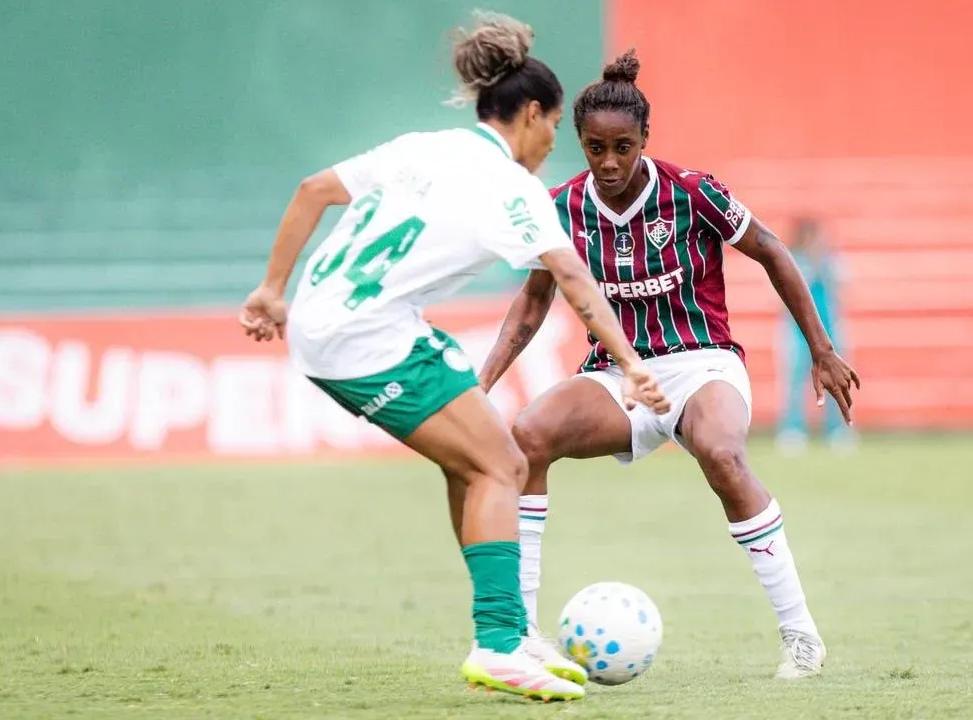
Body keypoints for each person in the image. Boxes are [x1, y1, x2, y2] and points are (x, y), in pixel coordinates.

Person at [236, 14, 670, 702]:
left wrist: (271, 289)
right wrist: (633, 362)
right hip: (366, 336)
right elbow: (572, 277)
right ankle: (499, 642)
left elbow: (313, 190)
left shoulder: (424, 146)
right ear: (530, 114)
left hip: (335, 320)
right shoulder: (511, 188)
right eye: (554, 125)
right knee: (501, 463)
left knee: (477, 459)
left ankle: (512, 630)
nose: (554, 141)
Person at [478, 50, 860, 680]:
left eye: (622, 147)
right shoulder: (562, 208)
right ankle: (521, 636)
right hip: (618, 377)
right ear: (580, 142)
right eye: (595, 148)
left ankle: (801, 637)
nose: (608, 163)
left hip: (703, 363)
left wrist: (820, 348)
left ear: (644, 141)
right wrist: (481, 387)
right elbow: (530, 306)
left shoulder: (692, 192)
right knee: (527, 437)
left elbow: (771, 250)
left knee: (721, 452)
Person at [776, 218, 858, 454]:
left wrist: (823, 265)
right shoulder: (791, 262)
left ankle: (838, 429)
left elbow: (845, 286)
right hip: (796, 333)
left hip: (831, 331)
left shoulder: (830, 261)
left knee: (837, 382)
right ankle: (793, 429)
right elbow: (778, 296)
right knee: (793, 383)